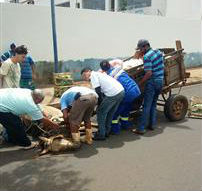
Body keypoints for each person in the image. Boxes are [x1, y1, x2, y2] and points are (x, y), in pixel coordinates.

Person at [81, 68, 124, 140]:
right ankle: (107, 131)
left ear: (88, 71)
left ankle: (101, 134)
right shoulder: (99, 74)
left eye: (84, 75)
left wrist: (99, 104)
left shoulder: (93, 75)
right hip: (120, 91)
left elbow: (98, 91)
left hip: (113, 93)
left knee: (100, 112)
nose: (85, 78)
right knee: (110, 112)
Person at [100, 59, 141, 134]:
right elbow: (119, 62)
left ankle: (115, 130)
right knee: (126, 109)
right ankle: (125, 125)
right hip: (136, 90)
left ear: (103, 70)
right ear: (110, 65)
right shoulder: (119, 68)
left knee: (114, 113)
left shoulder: (109, 77)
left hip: (128, 93)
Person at [132, 39, 164, 135]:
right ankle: (152, 125)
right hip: (160, 81)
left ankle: (141, 128)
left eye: (141, 49)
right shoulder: (158, 52)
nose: (140, 51)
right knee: (153, 104)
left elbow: (149, 73)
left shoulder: (147, 57)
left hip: (152, 82)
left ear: (145, 46)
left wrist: (140, 83)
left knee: (146, 106)